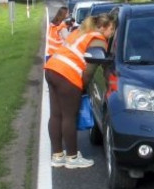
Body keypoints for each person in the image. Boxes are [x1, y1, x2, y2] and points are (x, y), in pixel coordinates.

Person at [43, 11, 117, 169]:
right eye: (112, 29)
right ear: (103, 28)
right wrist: (82, 87)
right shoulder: (98, 40)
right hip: (67, 74)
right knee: (70, 116)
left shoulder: (81, 32)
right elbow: (90, 70)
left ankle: (57, 155)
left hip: (52, 68)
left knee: (56, 115)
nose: (112, 33)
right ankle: (72, 157)